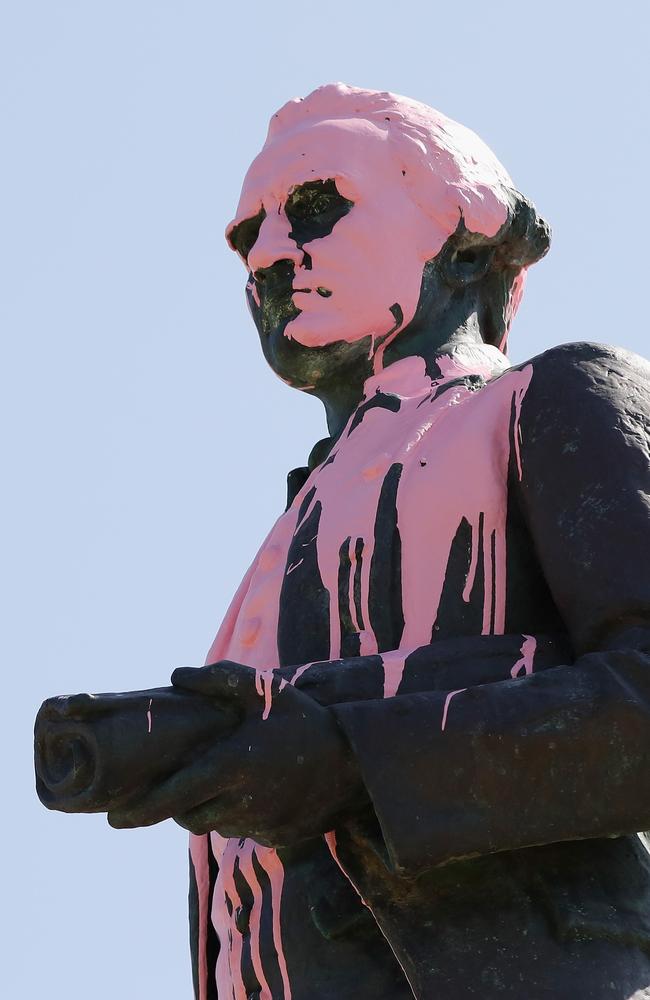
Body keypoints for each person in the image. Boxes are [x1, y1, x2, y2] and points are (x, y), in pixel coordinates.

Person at [110, 84, 650, 998]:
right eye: (250, 237)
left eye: (316, 209)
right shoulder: (281, 540)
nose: (271, 256)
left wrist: (351, 760)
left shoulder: (549, 403)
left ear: (463, 235)